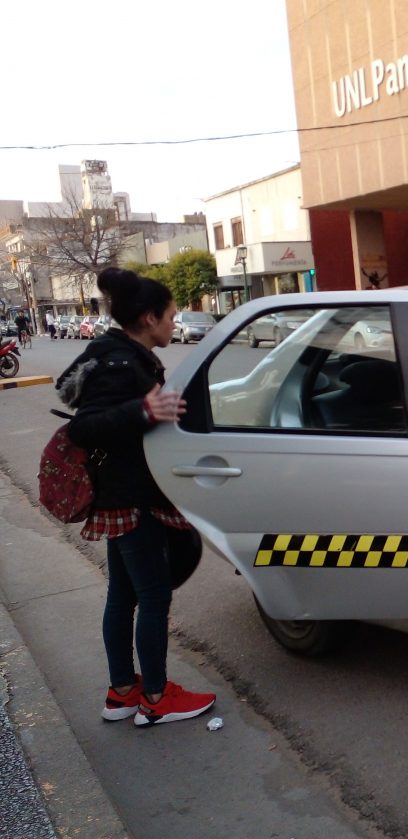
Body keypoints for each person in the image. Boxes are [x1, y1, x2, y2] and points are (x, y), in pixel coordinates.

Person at [55, 267, 215, 727]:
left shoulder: (125, 355)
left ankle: (124, 692)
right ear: (148, 318)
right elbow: (84, 426)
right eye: (170, 316)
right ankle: (157, 698)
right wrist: (143, 409)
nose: (173, 323)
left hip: (125, 493)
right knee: (154, 595)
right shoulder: (120, 363)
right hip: (130, 497)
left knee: (124, 595)